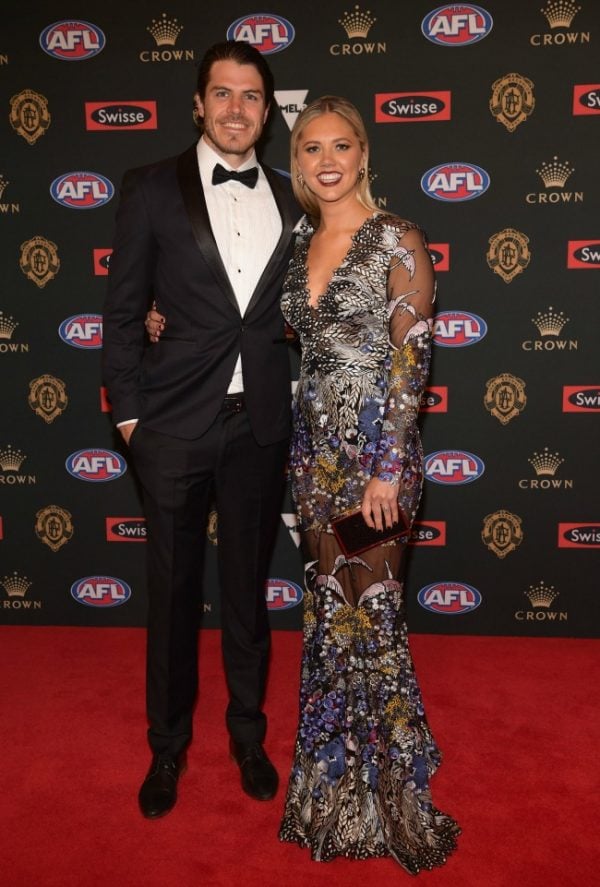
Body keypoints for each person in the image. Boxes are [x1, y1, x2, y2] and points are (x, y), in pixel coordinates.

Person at [102, 40, 301, 819]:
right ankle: (167, 746)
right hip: (174, 424)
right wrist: (128, 414)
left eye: (251, 96)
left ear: (267, 111)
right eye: (221, 93)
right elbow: (123, 311)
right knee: (174, 594)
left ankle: (247, 735)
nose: (235, 109)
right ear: (198, 103)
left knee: (248, 593)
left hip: (260, 426)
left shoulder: (292, 198)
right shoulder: (150, 188)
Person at [275, 96, 461, 872]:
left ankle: (388, 795)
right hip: (313, 454)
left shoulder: (398, 237)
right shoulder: (297, 241)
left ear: (363, 154)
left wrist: (388, 465)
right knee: (328, 618)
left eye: (341, 145)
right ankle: (330, 782)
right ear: (299, 161)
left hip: (376, 459)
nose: (326, 159)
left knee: (372, 617)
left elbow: (411, 361)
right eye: (311, 147)